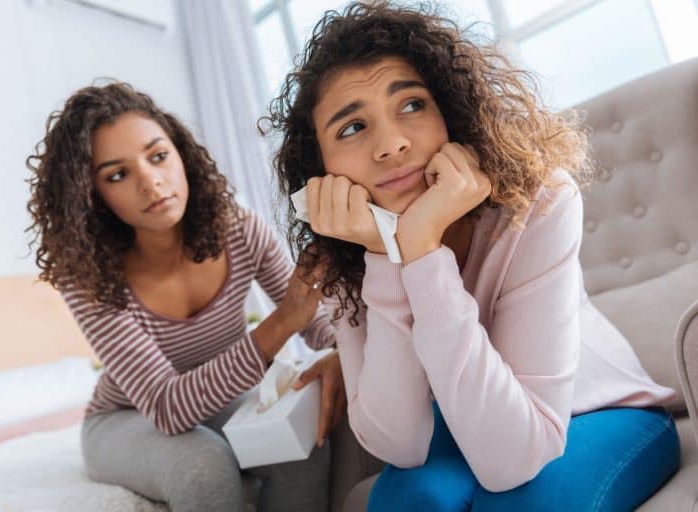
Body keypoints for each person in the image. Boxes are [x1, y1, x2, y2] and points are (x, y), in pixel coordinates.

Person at [264, 2, 679, 510]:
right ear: (319, 165)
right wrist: (385, 255)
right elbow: (400, 444)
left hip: (598, 412)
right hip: (465, 426)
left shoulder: (539, 201)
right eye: (352, 128)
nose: (391, 145)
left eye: (412, 104)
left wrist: (420, 251)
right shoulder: (344, 257)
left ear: (451, 112)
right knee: (405, 501)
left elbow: (512, 459)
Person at [26, 82, 345, 512]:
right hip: (127, 417)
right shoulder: (89, 279)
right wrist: (280, 324)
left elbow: (319, 326)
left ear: (181, 155)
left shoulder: (240, 230)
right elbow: (167, 408)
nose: (150, 182)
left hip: (222, 399)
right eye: (117, 175)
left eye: (158, 156)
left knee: (301, 445)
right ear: (93, 198)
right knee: (204, 463)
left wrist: (345, 351)